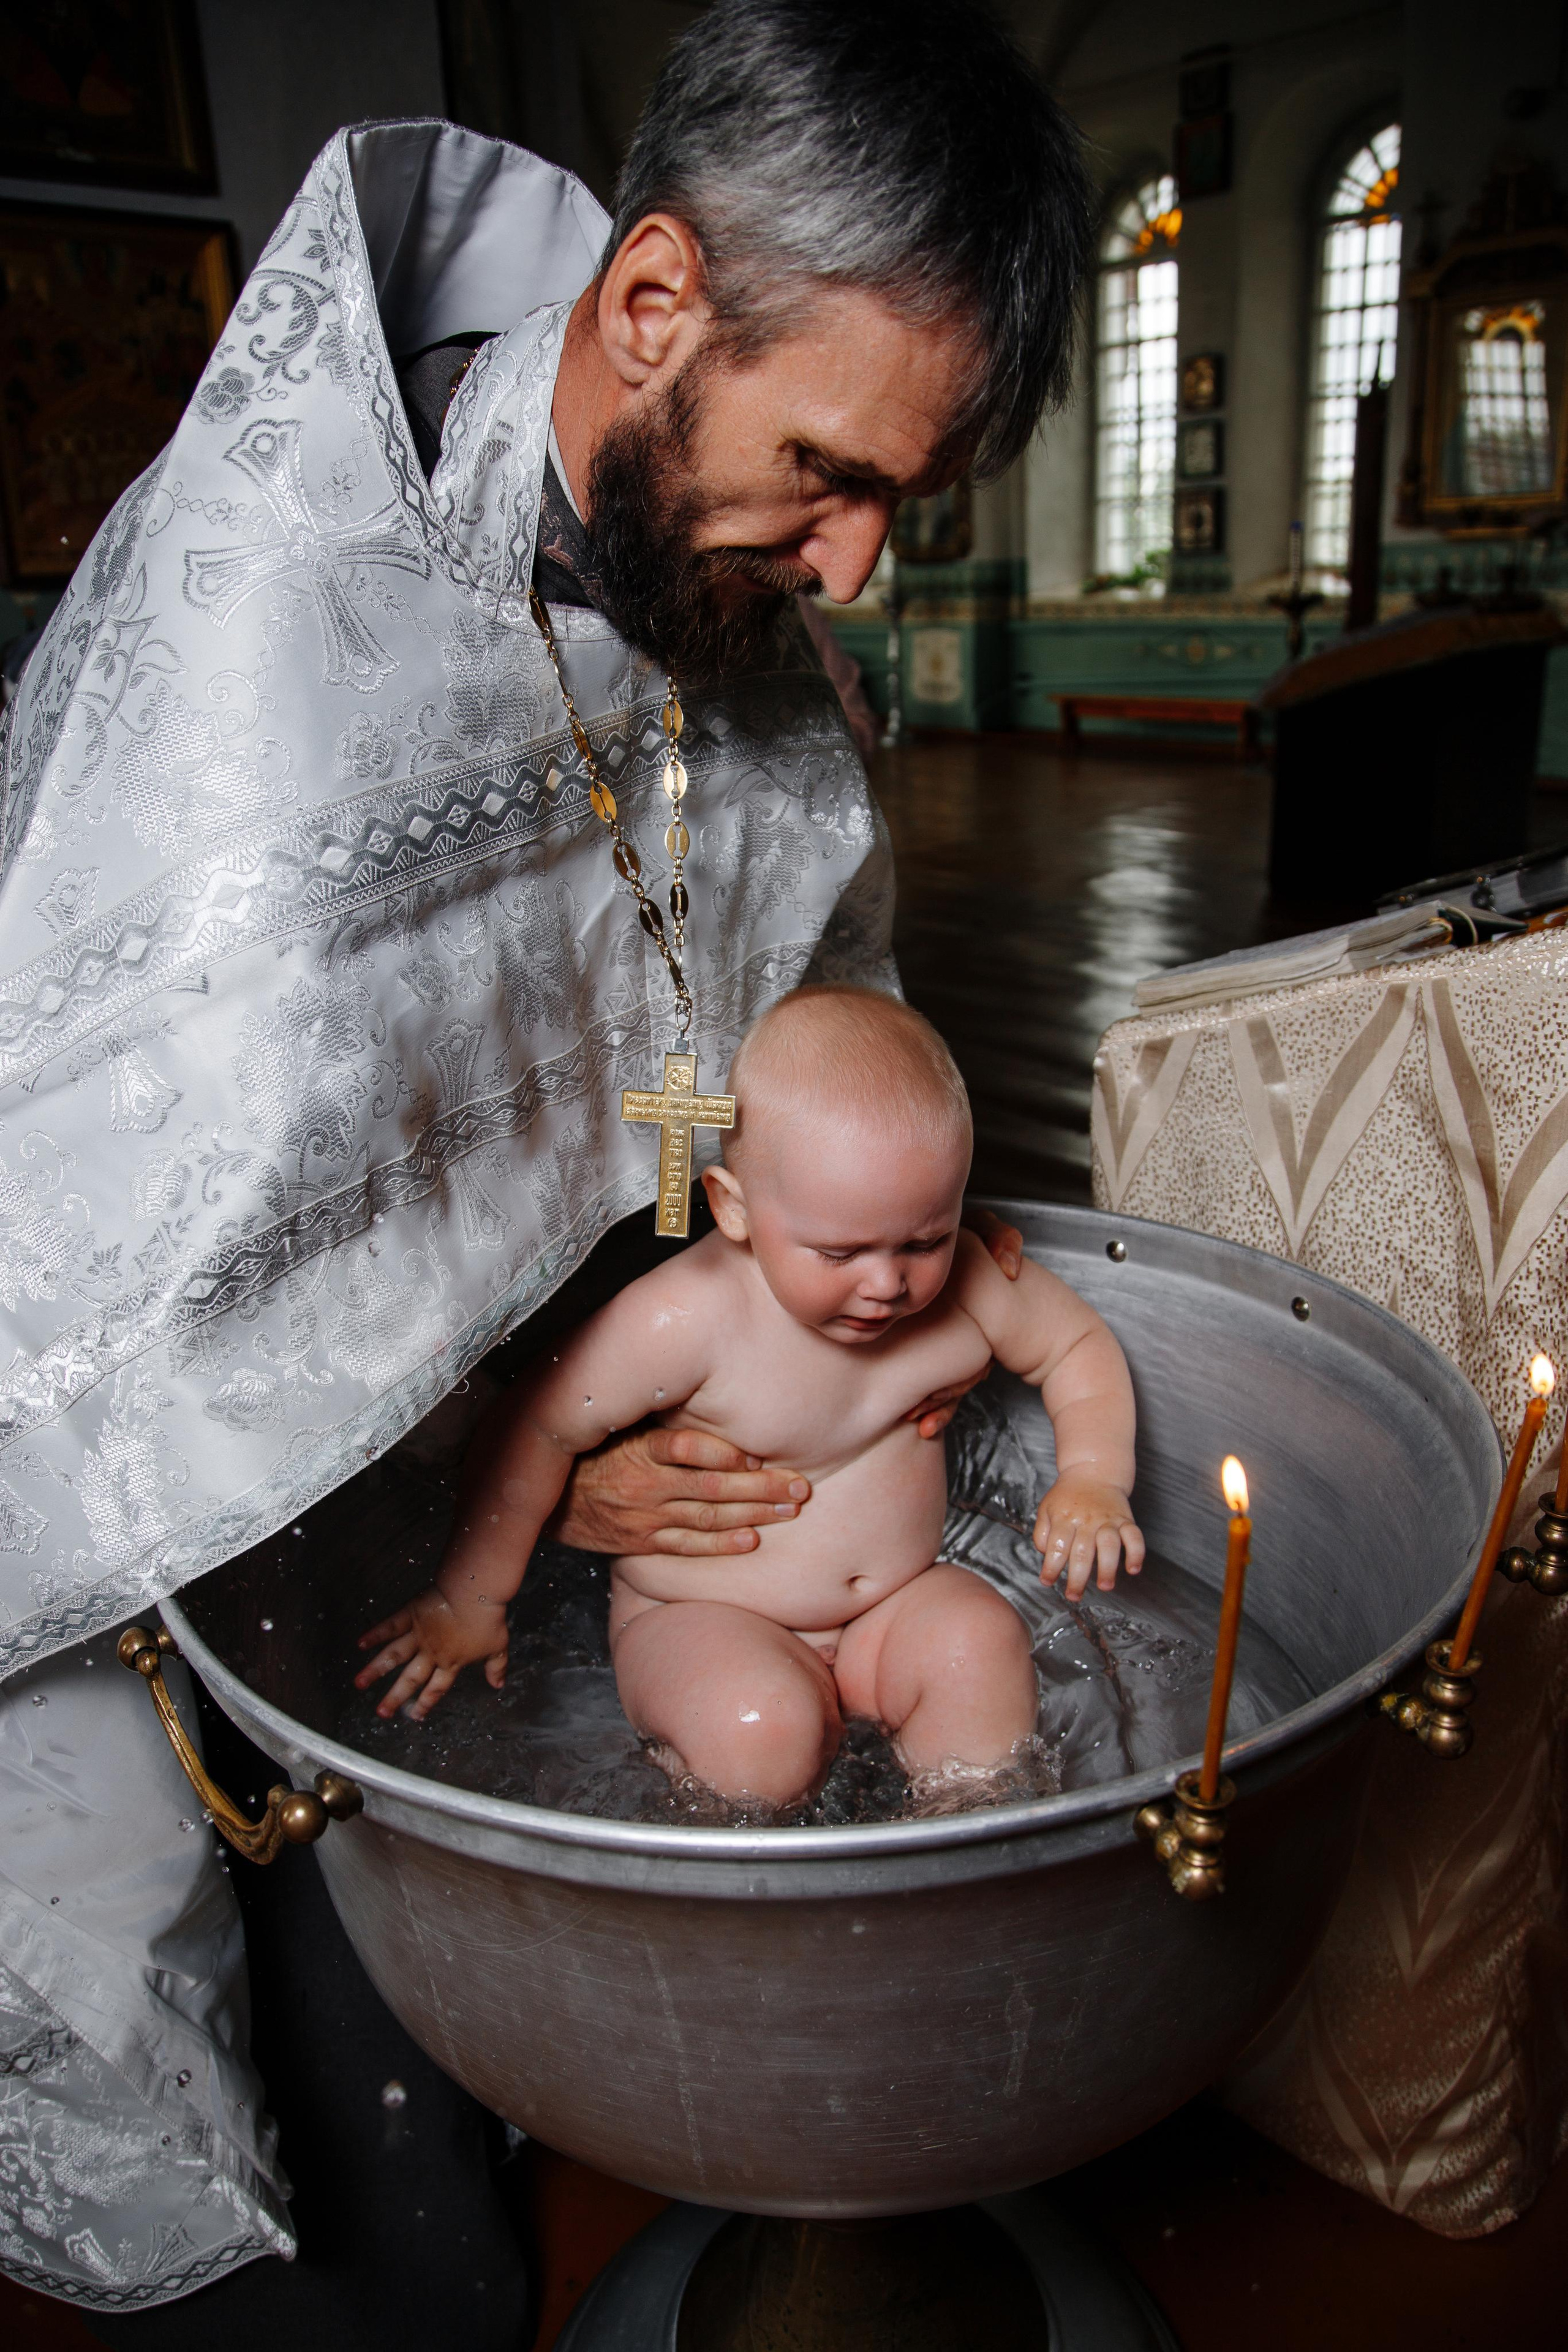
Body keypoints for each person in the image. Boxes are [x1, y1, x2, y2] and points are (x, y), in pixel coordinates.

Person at [0, 1, 1091, 2335]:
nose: (861, 571)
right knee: (357, 2261)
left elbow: (792, 1020)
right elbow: (124, 1319)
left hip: (566, 1523)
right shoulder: (267, 661)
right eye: (829, 472)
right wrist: (505, 1469)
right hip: (205, 1581)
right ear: (659, 302)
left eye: (906, 495)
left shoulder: (727, 597)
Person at [358, 989, 1143, 1809]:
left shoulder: (970, 1284)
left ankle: (964, 1835)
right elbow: (540, 1423)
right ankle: (739, 1848)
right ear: (733, 1209)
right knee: (757, 1727)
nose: (887, 1285)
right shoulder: (688, 1320)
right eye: (839, 1250)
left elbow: (1074, 1345)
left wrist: (1093, 1476)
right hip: (702, 1618)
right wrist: (472, 1596)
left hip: (892, 1609)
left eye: (925, 1238)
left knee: (980, 1644)